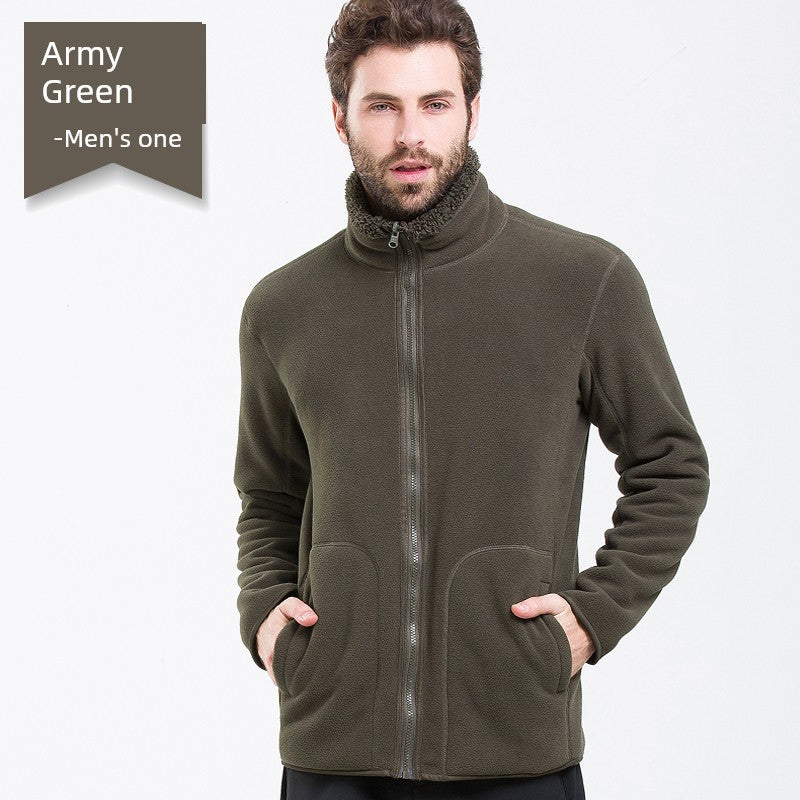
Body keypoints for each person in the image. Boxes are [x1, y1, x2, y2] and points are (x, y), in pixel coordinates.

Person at [233, 1, 711, 798]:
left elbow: (671, 465)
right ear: (339, 117)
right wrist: (265, 612)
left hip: (516, 750)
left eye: (435, 103)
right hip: (333, 753)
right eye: (382, 106)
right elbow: (269, 494)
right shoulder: (284, 307)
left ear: (473, 111)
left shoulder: (581, 281)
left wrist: (593, 616)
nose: (409, 134)